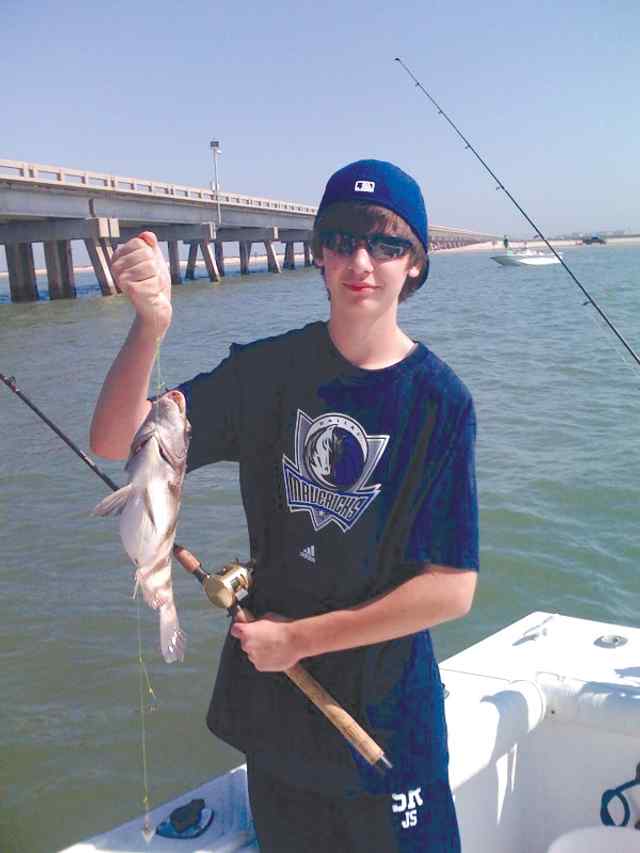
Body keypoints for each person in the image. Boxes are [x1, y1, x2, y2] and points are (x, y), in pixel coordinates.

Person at [90, 159, 479, 852]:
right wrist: (149, 328)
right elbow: (117, 438)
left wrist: (299, 639)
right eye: (342, 239)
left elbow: (450, 590)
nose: (363, 260)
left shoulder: (440, 402)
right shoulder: (267, 373)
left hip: (388, 721)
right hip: (278, 725)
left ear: (415, 264)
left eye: (388, 244)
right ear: (320, 254)